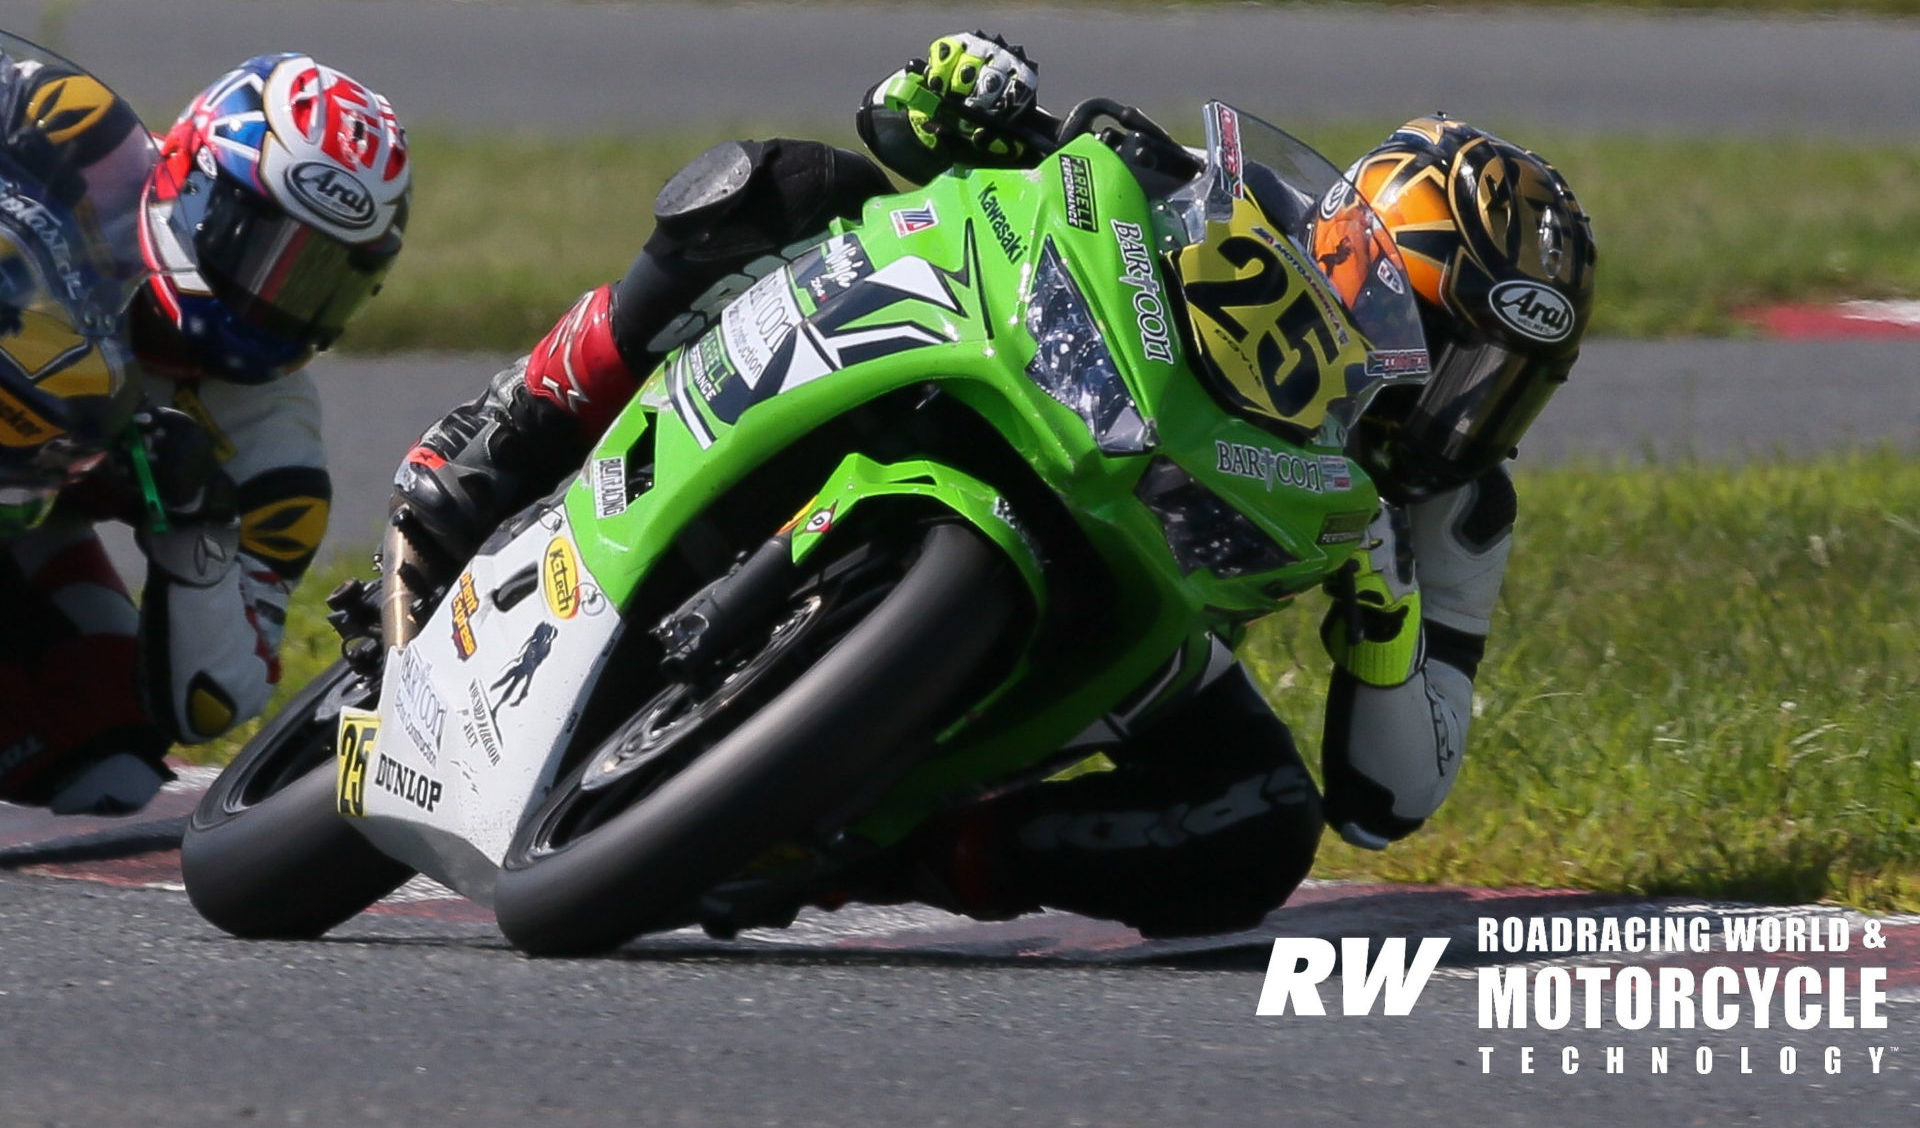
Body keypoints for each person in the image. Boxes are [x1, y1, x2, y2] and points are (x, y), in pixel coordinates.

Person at [391, 33, 1595, 936]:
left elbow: (1392, 797)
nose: (1458, 412)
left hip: (1166, 592)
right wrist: (961, 88)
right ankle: (513, 429)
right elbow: (920, 130)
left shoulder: (1461, 511)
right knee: (782, 188)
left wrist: (1383, 618)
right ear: (1351, 254)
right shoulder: (1235, 213)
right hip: (1047, 402)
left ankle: (872, 849)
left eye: (1504, 387)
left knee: (1258, 832)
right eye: (1448, 354)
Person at [0, 48, 410, 815]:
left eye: (315, 278)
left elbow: (215, 703)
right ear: (192, 181)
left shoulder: (274, 446)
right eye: (257, 248)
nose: (271, 298)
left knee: (106, 756)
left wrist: (198, 534)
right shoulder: (66, 128)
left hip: (18, 528)